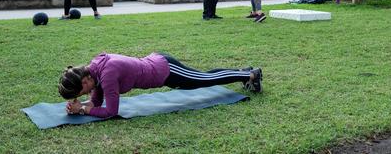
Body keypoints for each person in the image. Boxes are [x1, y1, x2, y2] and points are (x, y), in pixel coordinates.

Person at [59, 52, 263, 118]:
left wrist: (85, 110)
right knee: (203, 78)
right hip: (160, 67)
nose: (85, 93)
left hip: (166, 70)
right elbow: (97, 97)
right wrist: (83, 105)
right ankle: (243, 72)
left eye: (81, 91)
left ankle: (250, 74)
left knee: (204, 80)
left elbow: (111, 111)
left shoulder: (108, 74)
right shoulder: (95, 68)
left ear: (85, 80)